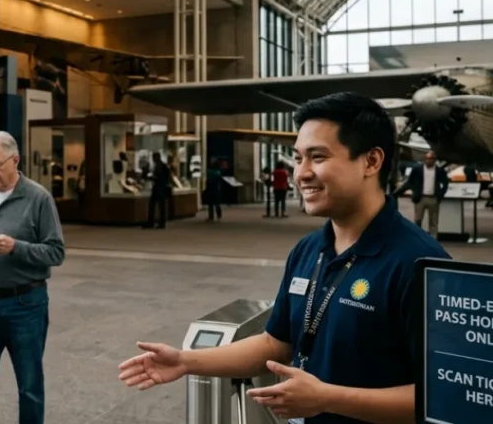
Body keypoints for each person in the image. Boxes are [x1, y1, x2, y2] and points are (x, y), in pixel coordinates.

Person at [118, 92, 452, 424]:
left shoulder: (421, 265)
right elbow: (275, 344)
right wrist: (187, 362)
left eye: (317, 157)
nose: (302, 173)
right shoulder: (309, 250)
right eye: (297, 158)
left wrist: (328, 399)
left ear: (371, 161)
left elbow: (446, 395)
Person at [0, 131, 65, 424]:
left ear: (15, 161)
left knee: (29, 384)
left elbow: (56, 252)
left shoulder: (38, 198)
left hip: (26, 304)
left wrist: (16, 248)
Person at [393, 151, 449, 239]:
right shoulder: (417, 170)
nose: (428, 161)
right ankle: (418, 239)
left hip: (433, 198)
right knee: (418, 220)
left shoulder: (439, 171)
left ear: (434, 160)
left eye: (430, 159)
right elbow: (409, 182)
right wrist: (397, 192)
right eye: (426, 159)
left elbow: (445, 184)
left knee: (433, 222)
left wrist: (440, 195)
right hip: (420, 198)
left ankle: (433, 240)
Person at [143, 152, 172, 229]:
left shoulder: (159, 165)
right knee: (160, 206)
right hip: (161, 188)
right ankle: (159, 223)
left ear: (156, 157)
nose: (153, 159)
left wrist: (150, 177)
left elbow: (158, 178)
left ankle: (152, 222)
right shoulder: (163, 165)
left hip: (159, 188)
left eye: (153, 157)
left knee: (154, 205)